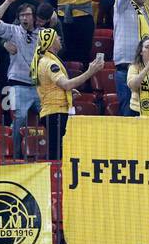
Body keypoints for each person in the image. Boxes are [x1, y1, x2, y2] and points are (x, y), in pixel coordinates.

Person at [33, 26, 103, 160]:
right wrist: (90, 72)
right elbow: (66, 84)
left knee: (58, 149)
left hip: (53, 111)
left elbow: (56, 87)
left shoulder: (44, 61)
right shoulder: (50, 64)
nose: (60, 39)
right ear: (52, 42)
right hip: (56, 112)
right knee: (57, 152)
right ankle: (57, 178)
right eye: (57, 37)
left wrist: (68, 93)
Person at [0, 0, 44, 157]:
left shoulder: (43, 34)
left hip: (39, 86)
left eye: (28, 15)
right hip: (18, 84)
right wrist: (7, 1)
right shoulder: (13, 31)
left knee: (52, 116)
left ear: (34, 17)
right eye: (22, 15)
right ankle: (16, 156)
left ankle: (45, 153)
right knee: (19, 118)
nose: (25, 18)